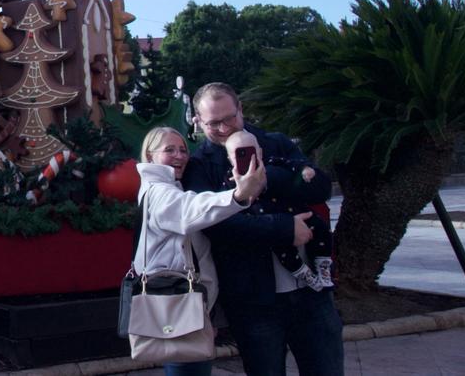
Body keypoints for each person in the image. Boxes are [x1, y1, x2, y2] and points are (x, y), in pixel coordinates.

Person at [182, 82, 344, 376]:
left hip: (312, 293)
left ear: (241, 109)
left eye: (229, 117)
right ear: (198, 121)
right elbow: (215, 225)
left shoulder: (276, 143)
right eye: (213, 123)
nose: (224, 127)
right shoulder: (199, 165)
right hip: (252, 300)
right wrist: (282, 228)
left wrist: (266, 178)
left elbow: (319, 186)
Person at [135, 126, 266, 376]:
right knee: (188, 365)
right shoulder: (161, 192)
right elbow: (190, 210)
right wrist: (238, 195)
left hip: (183, 303)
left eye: (183, 150)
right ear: (150, 156)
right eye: (169, 150)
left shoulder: (162, 187)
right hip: (179, 304)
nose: (180, 156)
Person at [223, 130, 335, 291]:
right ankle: (304, 273)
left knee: (322, 228)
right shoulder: (230, 178)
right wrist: (240, 193)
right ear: (229, 158)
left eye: (251, 151)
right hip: (271, 226)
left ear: (260, 151)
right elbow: (225, 208)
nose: (246, 157)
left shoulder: (272, 162)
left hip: (297, 213)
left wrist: (304, 169)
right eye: (239, 154)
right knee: (283, 250)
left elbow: (292, 164)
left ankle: (323, 267)